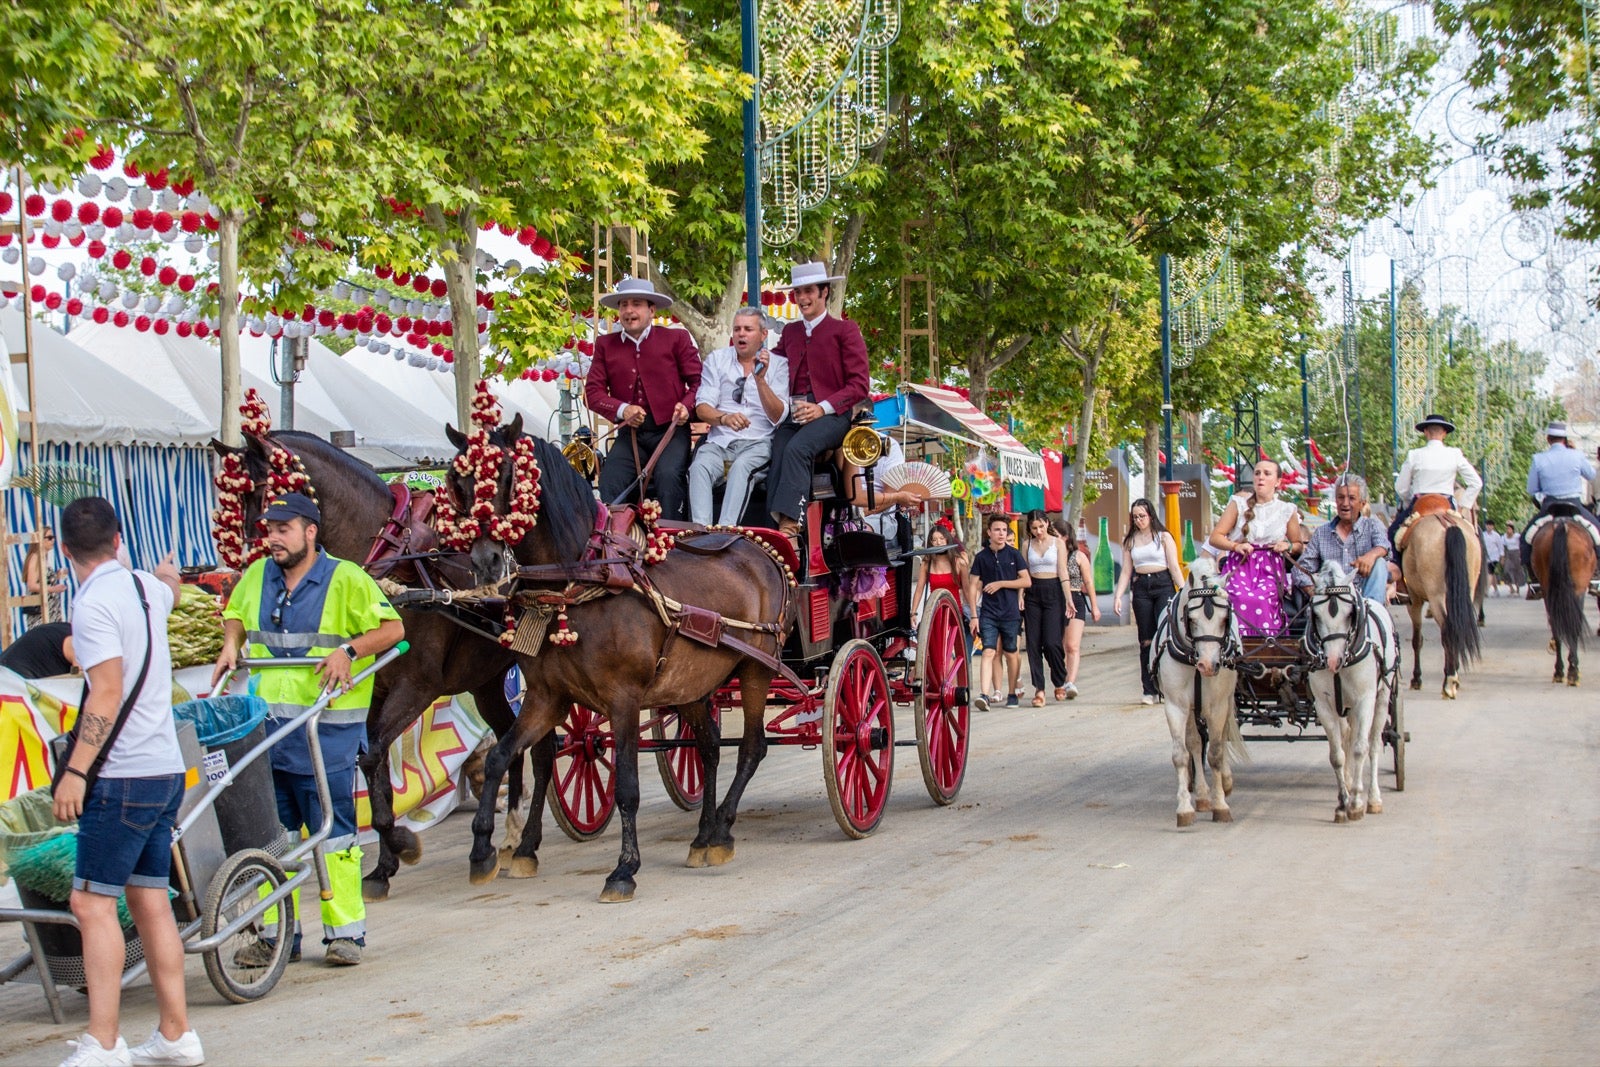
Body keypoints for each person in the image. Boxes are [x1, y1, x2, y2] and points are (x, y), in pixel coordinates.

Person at [211, 493, 404, 968]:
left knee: (333, 836)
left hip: (326, 734)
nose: (272, 537)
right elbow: (235, 613)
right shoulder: (258, 575)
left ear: (310, 531)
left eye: (283, 528)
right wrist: (231, 643)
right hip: (268, 735)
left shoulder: (346, 579)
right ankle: (279, 936)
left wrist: (350, 651)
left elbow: (393, 629)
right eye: (269, 529)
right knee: (273, 837)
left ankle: (345, 935)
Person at [50, 497, 202, 1067]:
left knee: (90, 904)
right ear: (118, 542)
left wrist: (76, 771)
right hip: (164, 768)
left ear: (66, 551)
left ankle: (103, 1043)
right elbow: (171, 589)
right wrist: (165, 572)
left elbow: (106, 694)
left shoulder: (90, 607)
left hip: (121, 776)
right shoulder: (144, 587)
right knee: (149, 901)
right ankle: (175, 1034)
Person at [765, 261, 871, 540]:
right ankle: (769, 527)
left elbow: (860, 385)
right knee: (777, 446)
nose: (802, 298)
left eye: (809, 291)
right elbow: (774, 366)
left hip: (834, 416)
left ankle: (790, 527)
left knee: (798, 448)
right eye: (798, 292)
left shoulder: (845, 330)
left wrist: (821, 408)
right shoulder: (790, 333)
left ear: (825, 292)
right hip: (795, 412)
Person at [584, 277, 702, 521]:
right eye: (624, 305)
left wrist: (686, 406)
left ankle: (675, 541)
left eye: (636, 304)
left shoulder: (676, 339)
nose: (629, 311)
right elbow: (592, 394)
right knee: (610, 481)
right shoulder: (606, 344)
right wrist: (623, 409)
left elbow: (700, 384)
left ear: (651, 310)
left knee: (669, 477)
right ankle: (615, 547)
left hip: (670, 432)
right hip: (631, 435)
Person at [688, 306, 790, 526]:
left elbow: (779, 416)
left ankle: (726, 531)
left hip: (758, 443)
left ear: (763, 335)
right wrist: (724, 418)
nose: (741, 334)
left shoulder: (779, 364)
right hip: (719, 442)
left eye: (747, 329)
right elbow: (702, 408)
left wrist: (760, 380)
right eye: (737, 329)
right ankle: (699, 533)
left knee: (741, 468)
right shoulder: (717, 359)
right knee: (698, 467)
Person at [1208, 459, 1302, 638]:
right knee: (1239, 597)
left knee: (1261, 599)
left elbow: (1298, 544)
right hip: (1241, 565)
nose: (1261, 477)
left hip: (1270, 569)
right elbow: (1215, 537)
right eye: (1257, 473)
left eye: (1267, 474)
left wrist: (1287, 545)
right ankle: (1234, 643)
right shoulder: (1238, 504)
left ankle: (1266, 645)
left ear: (1278, 482)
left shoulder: (1287, 510)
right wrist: (1236, 546)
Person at [1113, 499, 1185, 704]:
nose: (1138, 520)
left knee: (1164, 636)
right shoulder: (1130, 540)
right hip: (1141, 586)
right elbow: (1126, 570)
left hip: (1163, 584)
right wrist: (1119, 595)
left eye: (1142, 516)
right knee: (1146, 640)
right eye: (1135, 517)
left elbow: (1174, 567)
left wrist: (1185, 591)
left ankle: (1169, 684)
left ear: (1151, 516)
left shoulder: (1163, 537)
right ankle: (1149, 688)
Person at [1521, 421, 1599, 598]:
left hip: (1550, 507)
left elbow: (1532, 489)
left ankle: (1534, 581)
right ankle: (1596, 578)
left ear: (1548, 439)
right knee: (1598, 533)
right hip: (1575, 506)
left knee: (1525, 540)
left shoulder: (1538, 458)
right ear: (1565, 439)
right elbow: (1591, 475)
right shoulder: (1577, 455)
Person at [1388, 413, 1483, 559]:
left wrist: (1408, 502)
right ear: (1444, 433)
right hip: (1447, 505)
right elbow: (1476, 483)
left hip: (1420, 505)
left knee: (1392, 534)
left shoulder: (1414, 455)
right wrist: (1464, 506)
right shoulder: (1455, 454)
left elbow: (1401, 487)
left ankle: (1398, 574)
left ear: (1425, 432)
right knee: (1473, 536)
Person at [1293, 473, 1395, 605]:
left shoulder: (1372, 525)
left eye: (1352, 498)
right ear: (1336, 500)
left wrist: (1370, 556)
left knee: (1379, 562)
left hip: (1364, 599)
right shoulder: (1321, 533)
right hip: (1332, 602)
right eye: (1341, 497)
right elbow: (1300, 570)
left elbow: (1383, 545)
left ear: (1362, 503)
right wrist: (1314, 591)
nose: (1345, 503)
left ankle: (1372, 614)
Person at [967, 513, 1030, 711]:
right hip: (988, 613)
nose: (1001, 534)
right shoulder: (981, 557)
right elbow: (972, 585)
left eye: (1004, 530)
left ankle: (1012, 693)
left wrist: (1001, 584)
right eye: (997, 530)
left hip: (1011, 613)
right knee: (988, 651)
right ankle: (984, 694)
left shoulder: (1014, 555)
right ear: (989, 532)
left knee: (1011, 653)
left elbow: (1026, 581)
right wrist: (974, 615)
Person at [1020, 511, 1067, 707]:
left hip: (1054, 590)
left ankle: (1059, 679)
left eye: (1041, 526)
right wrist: (1020, 596)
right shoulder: (1026, 545)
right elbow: (1023, 572)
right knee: (1033, 644)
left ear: (1047, 523)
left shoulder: (1058, 543)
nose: (1038, 531)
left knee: (1052, 642)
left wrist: (1070, 599)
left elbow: (1063, 571)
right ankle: (1039, 689)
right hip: (1033, 592)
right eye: (1034, 528)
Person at [1052, 517, 1098, 699]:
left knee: (1072, 645)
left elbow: (1088, 581)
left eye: (1055, 535)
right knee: (1056, 645)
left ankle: (1069, 681)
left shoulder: (1078, 556)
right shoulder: (1050, 554)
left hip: (1076, 597)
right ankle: (1060, 679)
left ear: (1065, 537)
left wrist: (1094, 606)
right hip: (1055, 599)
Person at [912, 521, 968, 625]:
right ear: (931, 543)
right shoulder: (926, 563)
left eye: (942, 539)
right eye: (934, 540)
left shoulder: (959, 562)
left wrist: (973, 615)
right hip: (934, 610)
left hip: (954, 611)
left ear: (947, 539)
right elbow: (919, 589)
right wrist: (913, 613)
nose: (938, 542)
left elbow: (967, 590)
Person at [23, 526, 69, 628]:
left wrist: (56, 576)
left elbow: (43, 579)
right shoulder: (35, 557)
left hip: (50, 608)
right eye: (49, 537)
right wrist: (53, 589)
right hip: (40, 610)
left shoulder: (44, 557)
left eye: (53, 537)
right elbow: (32, 585)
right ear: (41, 540)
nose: (52, 540)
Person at [0, 619, 76, 678]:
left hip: (9, 671)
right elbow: (78, 673)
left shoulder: (68, 630)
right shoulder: (76, 640)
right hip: (14, 675)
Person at [1501, 521, 1526, 594]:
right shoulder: (1504, 537)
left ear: (1512, 529)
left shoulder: (1517, 536)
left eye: (1509, 528)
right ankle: (1511, 587)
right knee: (1506, 570)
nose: (1508, 530)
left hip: (1516, 553)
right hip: (1509, 554)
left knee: (1517, 570)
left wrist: (1521, 555)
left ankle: (1518, 588)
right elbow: (1502, 547)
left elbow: (1521, 544)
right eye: (1507, 529)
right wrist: (1502, 557)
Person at [1482, 520, 1504, 596]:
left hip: (1494, 557)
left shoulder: (1496, 536)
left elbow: (1500, 547)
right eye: (1487, 525)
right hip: (1485, 557)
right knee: (1492, 574)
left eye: (1490, 525)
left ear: (1493, 526)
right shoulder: (1483, 535)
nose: (1489, 527)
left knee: (1489, 573)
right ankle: (1496, 589)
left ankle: (1486, 590)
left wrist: (1502, 557)